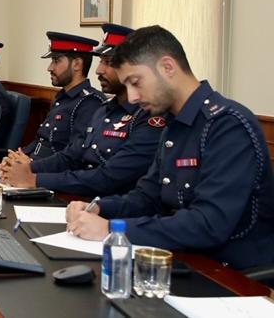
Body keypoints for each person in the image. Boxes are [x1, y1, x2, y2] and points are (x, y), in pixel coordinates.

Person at [66, 25, 274, 270]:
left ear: (167, 67)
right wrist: (99, 207)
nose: (132, 97)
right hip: (182, 258)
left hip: (228, 274)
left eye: (136, 82)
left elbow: (208, 225)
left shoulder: (228, 125)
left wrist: (111, 229)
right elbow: (147, 198)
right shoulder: (173, 124)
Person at [0, 24, 163, 197]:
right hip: (80, 198)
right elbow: (72, 156)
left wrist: (35, 179)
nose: (98, 70)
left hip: (105, 205)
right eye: (101, 61)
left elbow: (109, 178)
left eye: (109, 62)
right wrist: (25, 169)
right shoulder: (105, 110)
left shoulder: (147, 116)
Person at [19, 31, 105, 159]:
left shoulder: (90, 102)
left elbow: (74, 155)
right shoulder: (63, 97)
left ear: (77, 64)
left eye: (56, 61)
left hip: (48, 169)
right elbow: (42, 140)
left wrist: (31, 166)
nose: (50, 68)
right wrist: (19, 156)